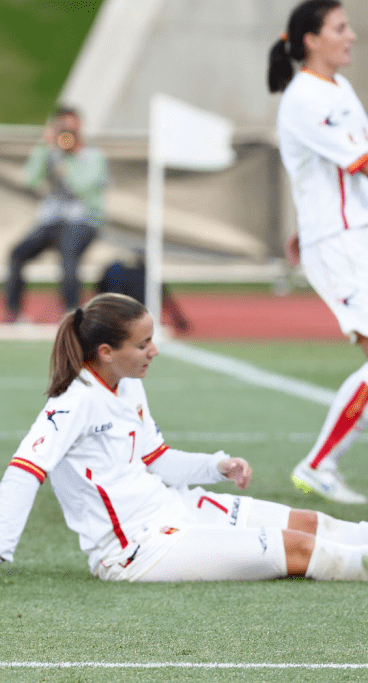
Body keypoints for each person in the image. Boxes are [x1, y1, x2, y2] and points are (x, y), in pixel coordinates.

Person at [0, 293, 368, 583]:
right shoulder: (73, 403)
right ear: (106, 352)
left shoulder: (128, 383)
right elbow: (24, 471)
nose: (155, 351)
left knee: (312, 523)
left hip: (177, 507)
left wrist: (214, 466)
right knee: (298, 548)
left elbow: (157, 458)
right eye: (144, 343)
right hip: (137, 550)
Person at [269, 1, 368, 504]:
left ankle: (321, 463)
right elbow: (362, 161)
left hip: (353, 235)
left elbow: (320, 170)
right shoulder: (304, 97)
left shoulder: (338, 88)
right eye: (339, 27)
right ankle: (318, 464)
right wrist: (311, 229)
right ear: (310, 38)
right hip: (340, 244)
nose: (350, 35)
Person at [3, 105, 108, 322]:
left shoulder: (93, 156)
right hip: (52, 220)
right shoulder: (51, 153)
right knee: (17, 253)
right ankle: (14, 314)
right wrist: (44, 148)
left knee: (68, 254)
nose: (67, 135)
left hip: (83, 220)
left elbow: (84, 188)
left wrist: (68, 160)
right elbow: (30, 180)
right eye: (62, 128)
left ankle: (72, 314)